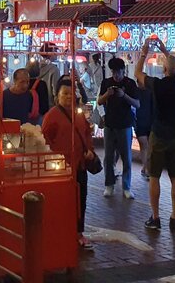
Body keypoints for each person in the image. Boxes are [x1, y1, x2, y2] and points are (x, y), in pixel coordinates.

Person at [135, 38, 175, 232]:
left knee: (155, 176)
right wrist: (165, 51)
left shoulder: (157, 84)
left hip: (158, 133)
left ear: (163, 69)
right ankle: (174, 218)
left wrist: (144, 52)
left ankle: (155, 217)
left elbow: (137, 74)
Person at [42, 82, 97, 251]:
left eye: (70, 94)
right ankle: (60, 232)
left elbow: (87, 135)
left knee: (81, 200)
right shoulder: (52, 115)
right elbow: (45, 139)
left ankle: (78, 233)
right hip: (60, 168)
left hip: (79, 165)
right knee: (62, 201)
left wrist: (90, 151)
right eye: (64, 93)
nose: (68, 97)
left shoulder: (79, 114)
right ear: (57, 96)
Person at [98, 57, 140, 199]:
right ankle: (109, 185)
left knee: (126, 157)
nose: (116, 75)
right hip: (109, 125)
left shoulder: (130, 84)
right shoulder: (106, 83)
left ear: (123, 71)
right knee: (108, 157)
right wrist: (107, 94)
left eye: (118, 72)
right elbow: (99, 101)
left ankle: (126, 187)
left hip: (125, 125)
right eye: (113, 72)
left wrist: (124, 96)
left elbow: (137, 104)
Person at [134, 80, 153, 180]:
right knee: (144, 145)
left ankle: (145, 167)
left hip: (148, 122)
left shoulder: (150, 92)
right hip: (141, 122)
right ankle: (146, 168)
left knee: (147, 146)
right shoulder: (137, 91)